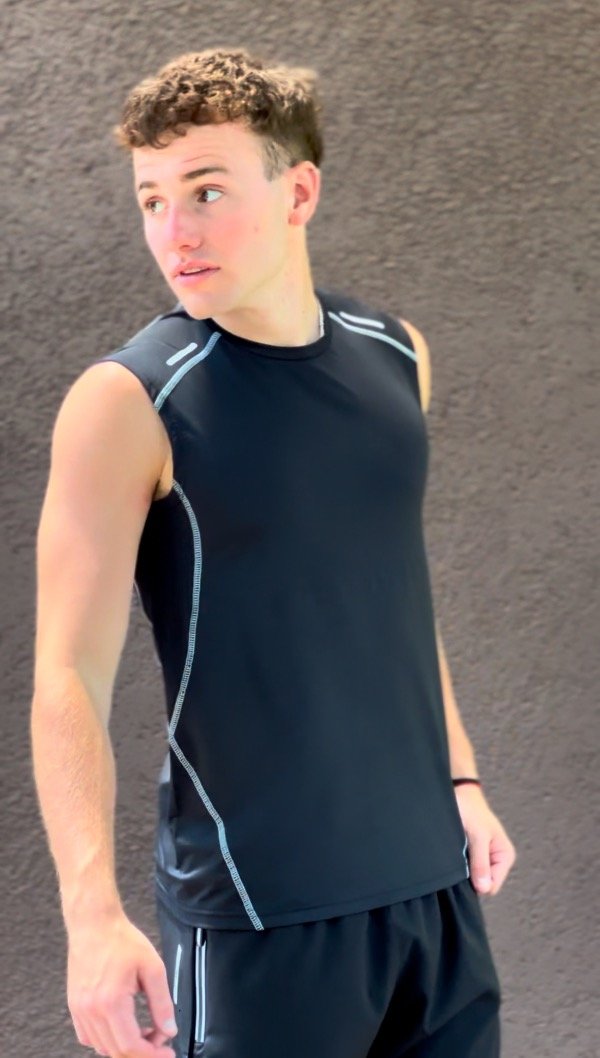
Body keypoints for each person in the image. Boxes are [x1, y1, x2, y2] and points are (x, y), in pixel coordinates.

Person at [31, 47, 516, 1058]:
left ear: (299, 192)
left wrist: (463, 781)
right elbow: (67, 675)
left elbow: (392, 592)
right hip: (259, 912)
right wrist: (91, 915)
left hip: (432, 887)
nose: (174, 231)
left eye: (206, 191)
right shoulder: (129, 402)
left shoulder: (397, 354)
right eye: (153, 199)